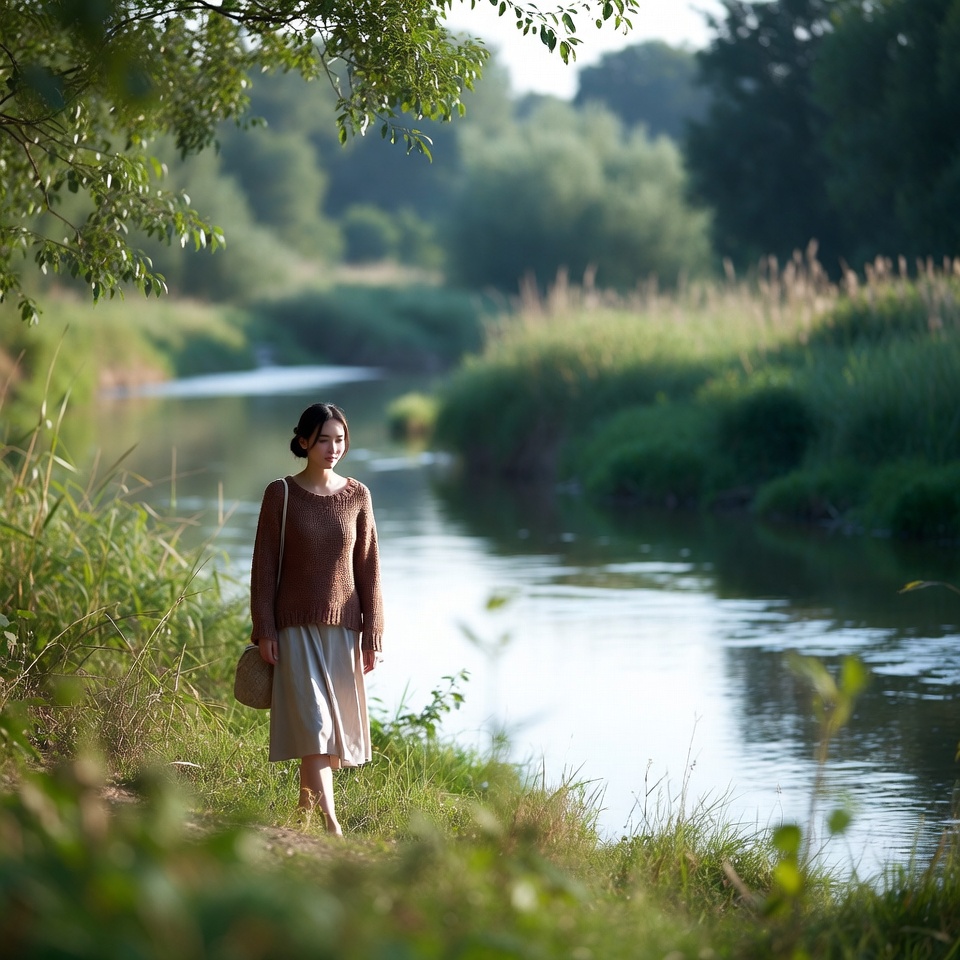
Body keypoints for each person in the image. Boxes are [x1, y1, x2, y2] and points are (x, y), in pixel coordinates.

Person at [249, 401, 384, 835]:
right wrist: (265, 628)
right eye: (323, 439)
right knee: (316, 725)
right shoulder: (281, 493)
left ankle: (303, 816)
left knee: (328, 737)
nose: (332, 448)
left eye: (339, 439)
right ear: (304, 441)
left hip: (343, 630)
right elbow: (263, 566)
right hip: (294, 629)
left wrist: (373, 635)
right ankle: (331, 823)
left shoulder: (358, 496)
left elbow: (369, 568)